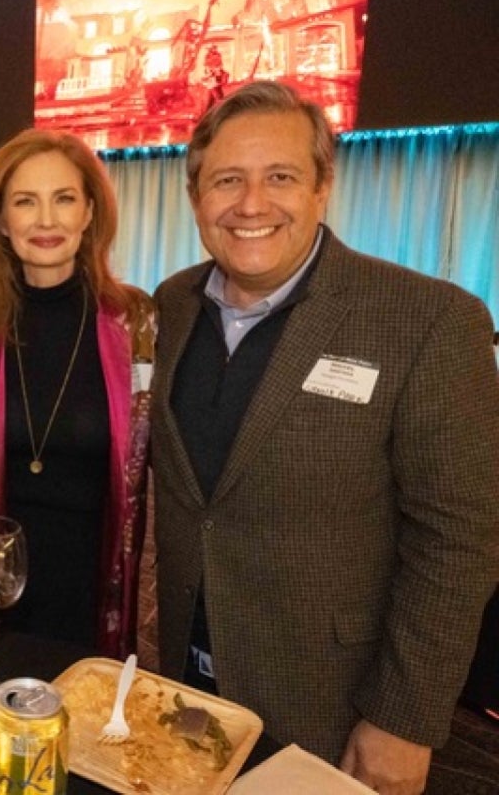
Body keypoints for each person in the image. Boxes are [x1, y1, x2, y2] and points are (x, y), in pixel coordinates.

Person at [151, 81, 499, 794]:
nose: (251, 204)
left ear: (321, 188)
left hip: (331, 701)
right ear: (195, 199)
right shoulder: (173, 304)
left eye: (279, 176)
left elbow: (461, 539)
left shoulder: (429, 321)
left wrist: (403, 720)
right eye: (226, 181)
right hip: (182, 682)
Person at [0, 129, 154, 655]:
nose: (46, 220)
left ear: (89, 213)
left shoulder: (138, 325)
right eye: (25, 201)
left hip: (98, 583)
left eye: (64, 198)